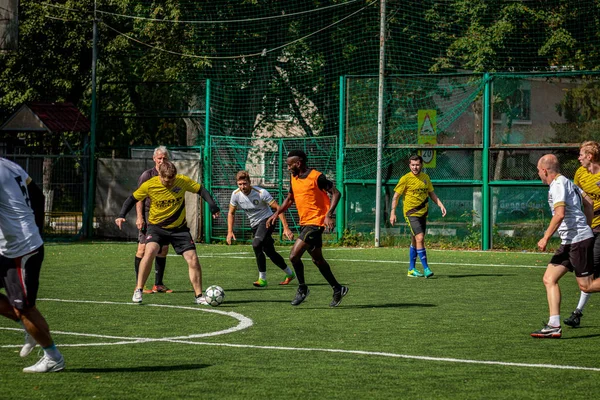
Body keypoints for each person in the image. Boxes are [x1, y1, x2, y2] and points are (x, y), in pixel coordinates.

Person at [115, 160, 220, 305]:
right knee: (150, 251)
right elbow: (132, 199)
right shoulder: (150, 184)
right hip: (157, 227)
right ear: (160, 175)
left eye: (172, 180)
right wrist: (121, 215)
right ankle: (138, 289)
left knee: (193, 259)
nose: (170, 183)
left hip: (179, 229)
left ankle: (199, 296)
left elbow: (201, 190)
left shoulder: (181, 181)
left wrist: (213, 206)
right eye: (166, 181)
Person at [0, 157, 65, 372]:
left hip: (21, 250)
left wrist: (29, 233)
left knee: (26, 309)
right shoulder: (9, 164)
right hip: (10, 246)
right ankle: (26, 327)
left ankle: (53, 357)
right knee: (22, 312)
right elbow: (37, 195)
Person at [267, 150, 348, 307]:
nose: (288, 167)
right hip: (305, 223)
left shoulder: (317, 177)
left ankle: (302, 288)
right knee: (317, 259)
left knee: (293, 256)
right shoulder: (294, 178)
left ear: (298, 163)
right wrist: (276, 213)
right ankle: (338, 288)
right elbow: (290, 198)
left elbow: (336, 193)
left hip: (316, 224)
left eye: (290, 164)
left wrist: (329, 215)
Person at [531, 154, 595, 339]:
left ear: (544, 170)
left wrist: (545, 237)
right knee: (549, 278)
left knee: (587, 286)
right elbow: (589, 203)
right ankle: (554, 325)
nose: (538, 174)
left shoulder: (558, 185)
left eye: (538, 170)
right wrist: (588, 227)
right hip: (571, 240)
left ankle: (554, 325)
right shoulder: (567, 182)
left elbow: (559, 214)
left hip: (577, 241)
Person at [227, 171, 295, 287]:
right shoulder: (235, 194)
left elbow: (278, 208)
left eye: (244, 183)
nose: (242, 187)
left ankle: (262, 279)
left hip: (267, 220)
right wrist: (229, 231)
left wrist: (286, 228)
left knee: (256, 244)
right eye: (240, 184)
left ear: (250, 182)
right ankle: (289, 274)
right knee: (269, 251)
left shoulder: (261, 193)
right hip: (254, 225)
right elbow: (231, 213)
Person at [389, 154, 447, 278]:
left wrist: (441, 205)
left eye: (417, 165)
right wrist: (392, 212)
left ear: (421, 165)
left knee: (415, 240)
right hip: (411, 213)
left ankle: (411, 269)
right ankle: (426, 268)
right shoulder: (405, 179)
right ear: (409, 165)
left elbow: (431, 193)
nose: (415, 167)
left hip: (423, 213)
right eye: (412, 165)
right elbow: (396, 197)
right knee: (420, 238)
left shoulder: (425, 178)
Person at [564, 141, 600, 328]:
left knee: (591, 272)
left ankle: (577, 313)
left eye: (581, 154)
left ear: (590, 157)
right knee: (590, 274)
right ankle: (577, 313)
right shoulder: (580, 174)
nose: (578, 158)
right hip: (588, 228)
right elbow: (578, 198)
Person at [135, 146, 171, 294]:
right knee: (142, 249)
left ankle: (158, 284)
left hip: (165, 218)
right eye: (159, 158)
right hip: (149, 218)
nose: (162, 160)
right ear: (154, 159)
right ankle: (139, 285)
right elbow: (139, 198)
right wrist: (140, 217)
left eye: (164, 158)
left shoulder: (170, 174)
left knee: (163, 250)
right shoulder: (147, 175)